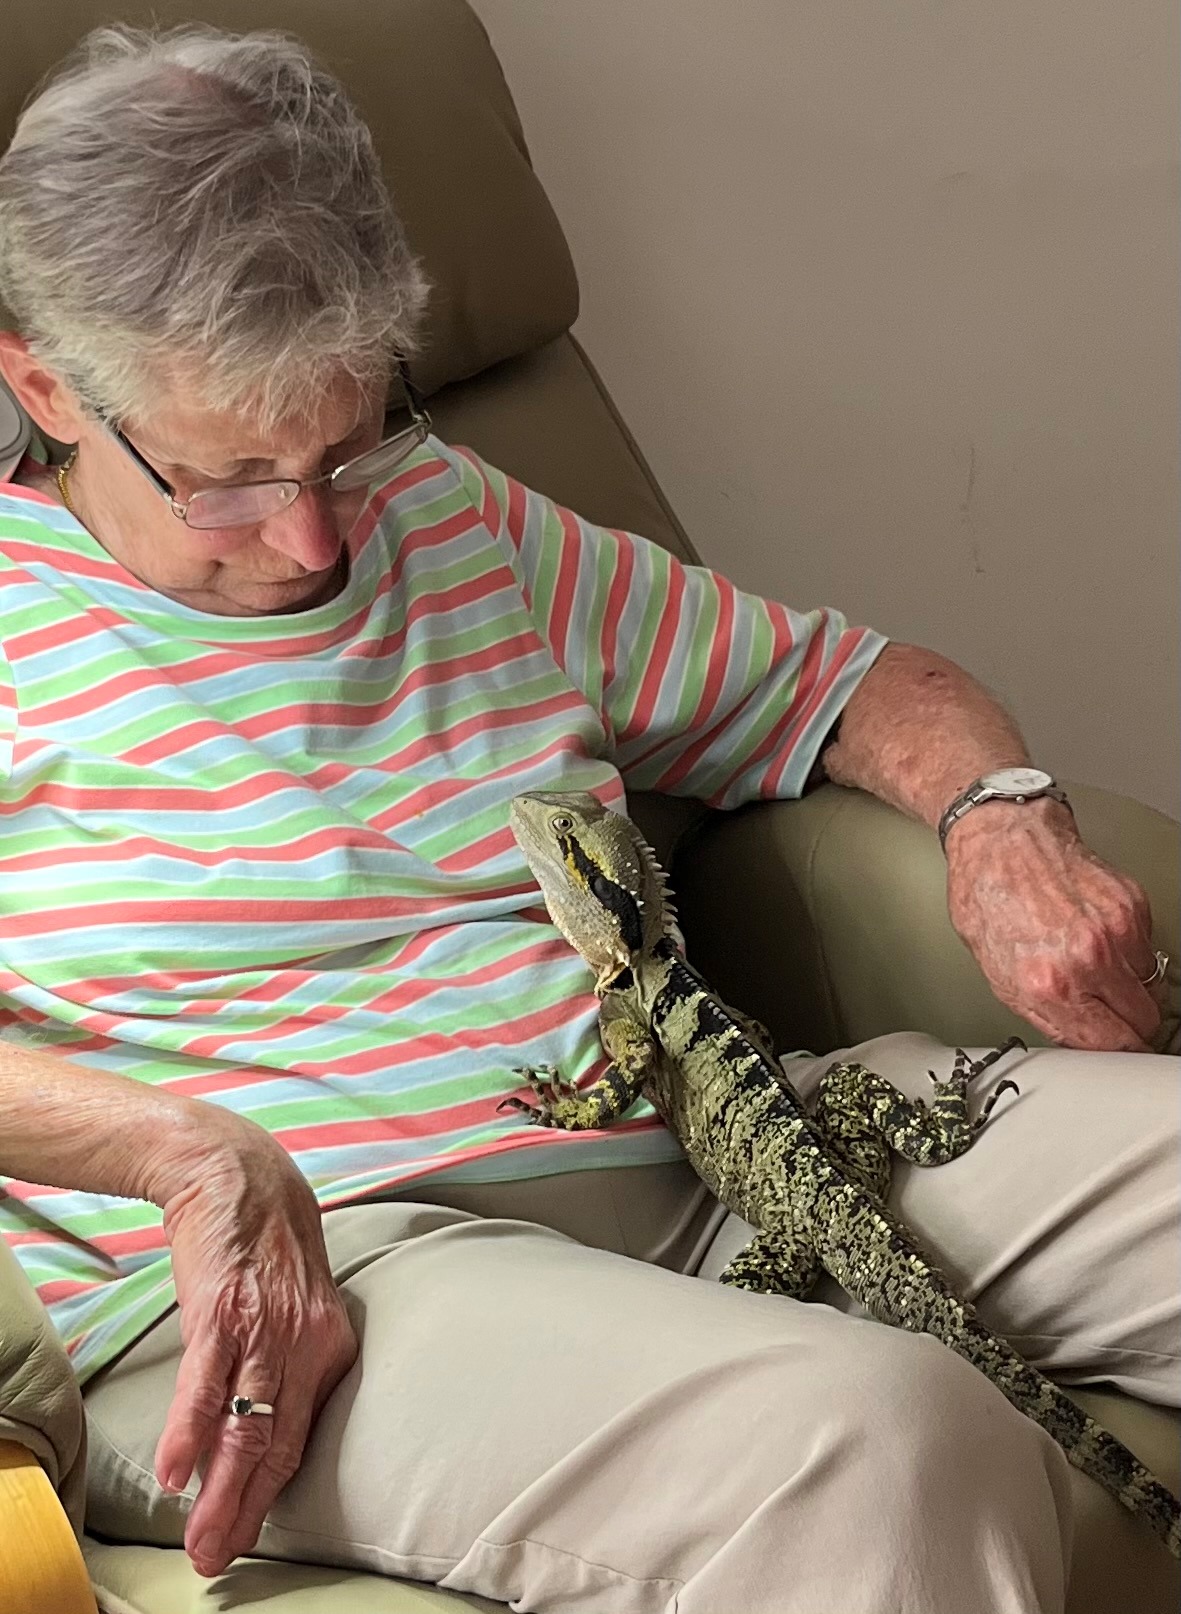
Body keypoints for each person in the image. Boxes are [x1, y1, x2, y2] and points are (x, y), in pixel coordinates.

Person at [0, 23, 1174, 1614]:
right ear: (44, 383)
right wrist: (179, 1149)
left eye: (345, 437)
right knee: (876, 1442)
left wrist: (998, 816)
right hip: (322, 1279)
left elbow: (845, 682)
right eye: (231, 475)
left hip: (704, 1148)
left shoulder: (448, 510)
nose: (313, 533)